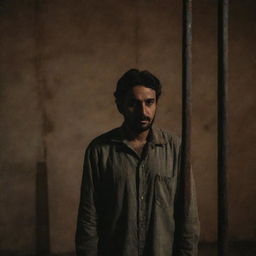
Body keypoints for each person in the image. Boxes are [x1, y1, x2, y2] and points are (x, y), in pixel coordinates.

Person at [75, 69, 200, 256]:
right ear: (120, 106)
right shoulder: (99, 151)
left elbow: (188, 215)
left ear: (157, 103)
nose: (143, 111)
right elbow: (88, 217)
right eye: (134, 103)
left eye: (149, 102)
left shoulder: (175, 148)